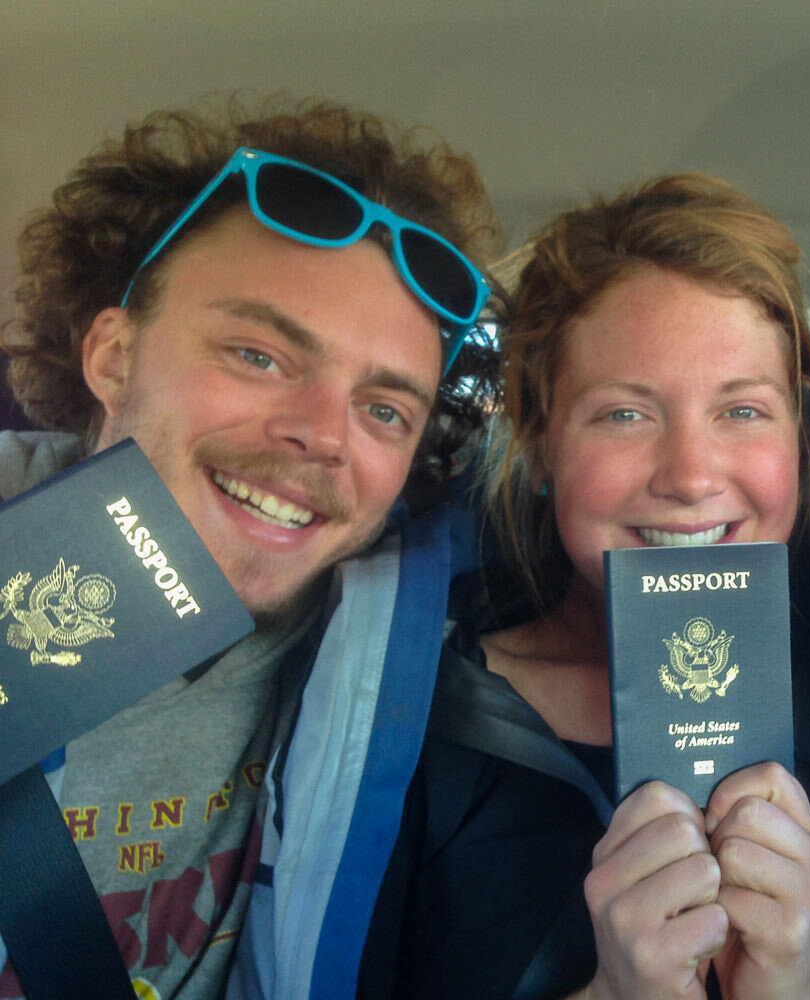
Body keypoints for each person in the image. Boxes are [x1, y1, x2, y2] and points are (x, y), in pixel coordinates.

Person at [358, 174, 810, 999]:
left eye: (743, 411)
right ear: (542, 445)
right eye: (625, 414)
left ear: (800, 438)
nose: (692, 477)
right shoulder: (402, 725)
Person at [0, 96, 502, 1000]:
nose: (323, 435)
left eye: (384, 409)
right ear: (114, 357)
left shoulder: (379, 656)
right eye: (259, 355)